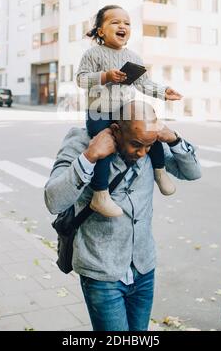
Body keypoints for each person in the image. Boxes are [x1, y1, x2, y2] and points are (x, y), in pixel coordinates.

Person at [44, 100, 202, 332]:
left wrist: (174, 139)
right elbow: (53, 200)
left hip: (143, 267)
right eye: (136, 145)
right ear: (117, 129)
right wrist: (89, 156)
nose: (142, 153)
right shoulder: (81, 141)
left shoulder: (149, 140)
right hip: (101, 271)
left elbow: (193, 172)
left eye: (147, 147)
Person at [76, 5, 183, 218]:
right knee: (103, 147)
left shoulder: (133, 57)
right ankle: (100, 195)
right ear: (101, 31)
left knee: (150, 132)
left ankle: (160, 172)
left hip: (127, 111)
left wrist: (163, 92)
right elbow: (81, 79)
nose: (122, 26)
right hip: (99, 112)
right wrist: (105, 76)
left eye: (127, 23)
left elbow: (143, 84)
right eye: (115, 22)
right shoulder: (93, 54)